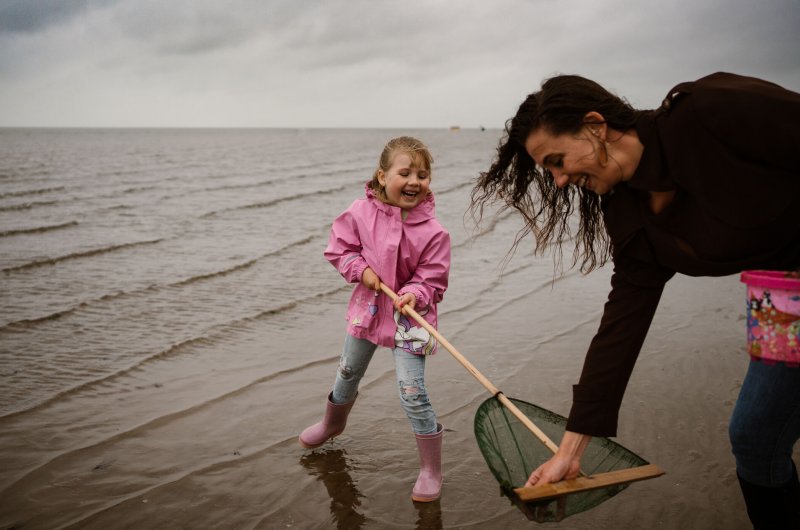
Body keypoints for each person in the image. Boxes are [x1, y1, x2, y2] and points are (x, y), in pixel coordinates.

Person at [470, 72, 800, 528]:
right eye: (550, 171)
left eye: (557, 160)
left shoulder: (710, 111)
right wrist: (569, 453)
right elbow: (621, 327)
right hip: (782, 290)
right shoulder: (628, 213)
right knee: (755, 439)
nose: (560, 181)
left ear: (594, 125)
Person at [299, 136, 451, 503]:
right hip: (368, 309)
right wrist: (360, 270)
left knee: (412, 393)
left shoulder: (434, 231)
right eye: (405, 172)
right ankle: (332, 423)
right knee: (348, 372)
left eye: (423, 175)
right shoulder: (360, 212)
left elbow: (434, 275)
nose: (415, 181)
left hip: (411, 319)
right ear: (382, 176)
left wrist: (415, 291)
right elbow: (339, 248)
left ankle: (431, 469)